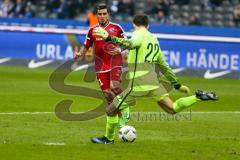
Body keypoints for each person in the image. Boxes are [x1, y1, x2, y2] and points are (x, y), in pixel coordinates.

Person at [91, 14, 218, 144]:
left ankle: (108, 139)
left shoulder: (138, 34)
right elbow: (164, 66)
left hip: (138, 84)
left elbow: (131, 43)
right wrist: (177, 85)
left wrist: (108, 37)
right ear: (148, 25)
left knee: (110, 110)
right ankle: (197, 97)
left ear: (134, 25)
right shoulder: (153, 40)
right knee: (172, 108)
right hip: (154, 83)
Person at [74, 4, 130, 128]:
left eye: (105, 13)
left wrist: (120, 50)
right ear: (97, 15)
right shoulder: (92, 30)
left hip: (115, 61)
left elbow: (127, 43)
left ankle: (126, 107)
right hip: (100, 65)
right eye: (100, 14)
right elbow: (86, 45)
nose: (103, 16)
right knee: (108, 95)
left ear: (108, 14)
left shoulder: (116, 28)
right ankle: (120, 119)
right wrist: (80, 53)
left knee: (114, 86)